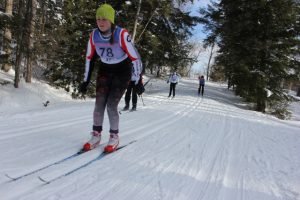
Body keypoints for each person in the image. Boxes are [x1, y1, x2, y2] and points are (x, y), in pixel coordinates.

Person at [78, 4, 142, 153]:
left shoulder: (121, 34)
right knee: (99, 104)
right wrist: (85, 80)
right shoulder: (94, 35)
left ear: (111, 20)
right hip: (105, 71)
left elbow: (135, 58)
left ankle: (114, 136)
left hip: (122, 71)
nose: (100, 22)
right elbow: (89, 58)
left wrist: (138, 80)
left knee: (111, 105)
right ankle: (96, 135)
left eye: (104, 19)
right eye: (98, 18)